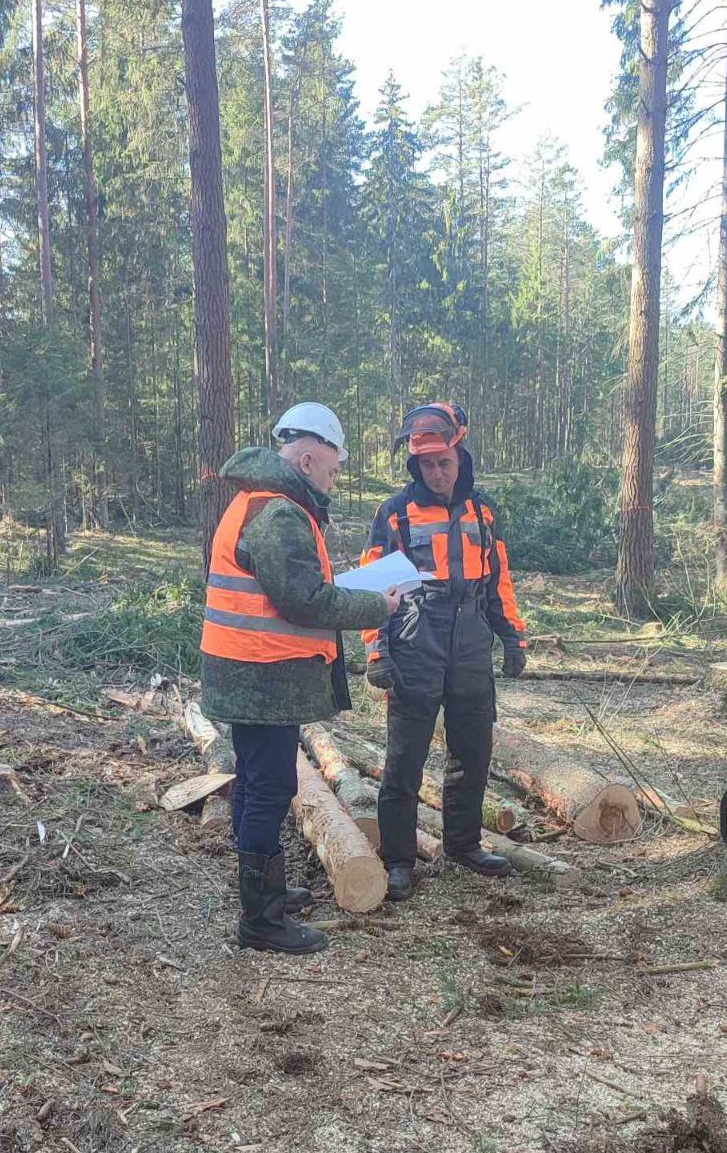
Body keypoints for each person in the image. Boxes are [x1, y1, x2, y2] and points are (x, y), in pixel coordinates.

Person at [201, 402, 400, 955]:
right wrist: (376, 605)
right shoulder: (279, 512)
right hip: (261, 675)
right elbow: (303, 599)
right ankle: (260, 922)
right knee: (270, 789)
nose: (334, 479)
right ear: (309, 458)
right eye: (334, 469)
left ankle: (262, 896)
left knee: (256, 784)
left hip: (251, 672)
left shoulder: (261, 502)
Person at [361, 402, 526, 902]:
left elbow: (498, 580)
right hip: (417, 633)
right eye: (426, 464)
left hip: (471, 633)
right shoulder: (394, 514)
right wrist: (376, 651)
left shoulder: (482, 510)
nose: (436, 473)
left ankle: (462, 842)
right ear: (414, 465)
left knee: (473, 747)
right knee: (405, 756)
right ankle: (397, 858)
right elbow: (373, 588)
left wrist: (512, 636)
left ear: (460, 457)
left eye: (444, 463)